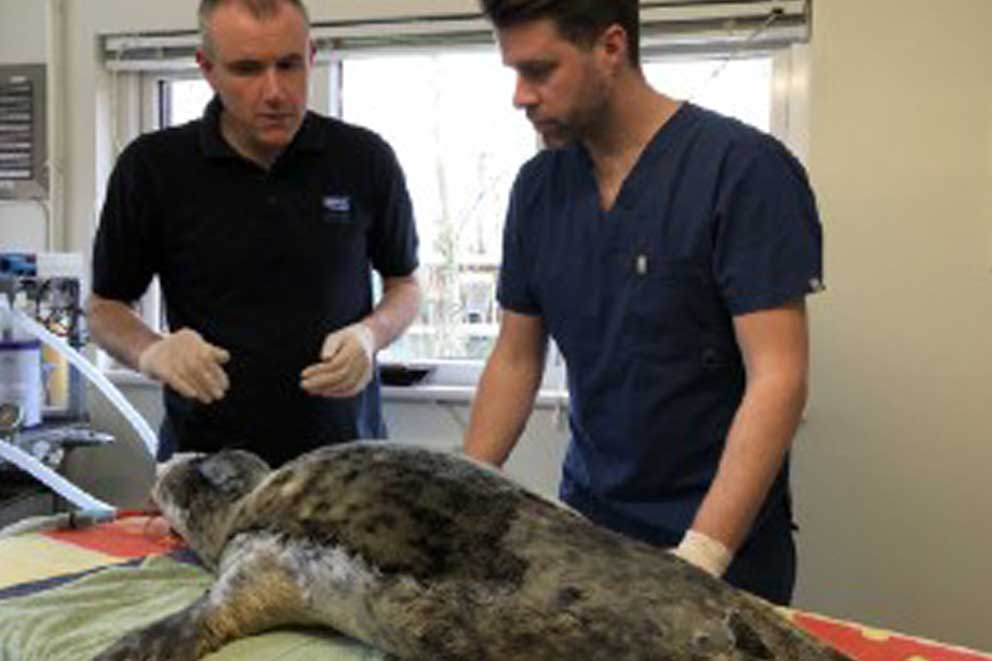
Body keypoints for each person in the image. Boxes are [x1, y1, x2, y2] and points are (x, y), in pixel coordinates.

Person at [464, 0, 823, 605]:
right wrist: (456, 494)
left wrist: (701, 557)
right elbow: (516, 360)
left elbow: (779, 378)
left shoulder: (743, 171)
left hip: (719, 541)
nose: (521, 97)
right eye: (514, 74)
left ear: (610, 47)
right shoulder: (538, 190)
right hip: (589, 527)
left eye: (540, 71)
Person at [87, 0, 421, 467]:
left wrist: (371, 335)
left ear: (310, 55)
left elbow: (405, 285)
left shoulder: (364, 159)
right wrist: (154, 351)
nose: (275, 92)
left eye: (288, 65)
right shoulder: (153, 168)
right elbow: (104, 307)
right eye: (247, 69)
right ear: (208, 69)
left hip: (344, 465)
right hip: (207, 466)